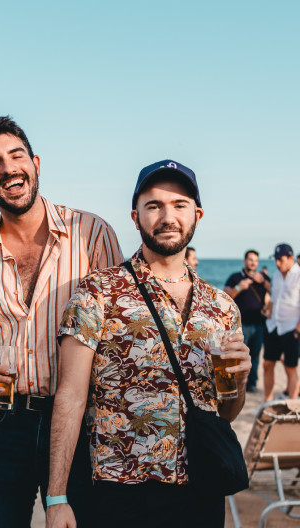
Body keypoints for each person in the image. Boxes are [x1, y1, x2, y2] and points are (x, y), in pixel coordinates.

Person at [46, 160, 251, 528]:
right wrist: (57, 495)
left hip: (201, 489)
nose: (167, 216)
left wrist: (238, 382)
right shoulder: (98, 292)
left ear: (197, 215)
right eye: (154, 205)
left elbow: (227, 412)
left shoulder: (222, 307)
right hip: (120, 490)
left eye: (179, 205)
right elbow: (70, 396)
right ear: (135, 215)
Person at [0, 116, 123, 527]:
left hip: (81, 419)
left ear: (36, 163)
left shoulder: (92, 234)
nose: (8, 168)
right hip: (0, 421)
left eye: (16, 155)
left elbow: (122, 330)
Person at [224, 250, 271, 392]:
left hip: (259, 323)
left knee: (255, 354)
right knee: (239, 354)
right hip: (241, 324)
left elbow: (275, 291)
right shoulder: (236, 277)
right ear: (245, 261)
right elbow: (225, 295)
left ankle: (251, 384)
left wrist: (263, 281)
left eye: (255, 260)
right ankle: (238, 383)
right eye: (250, 260)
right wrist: (239, 287)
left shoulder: (262, 278)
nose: (253, 263)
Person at [263, 243, 300, 401]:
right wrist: (267, 311)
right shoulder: (277, 275)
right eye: (276, 260)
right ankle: (267, 401)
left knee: (290, 368)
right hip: (273, 326)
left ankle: (293, 405)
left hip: (291, 327)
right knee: (267, 364)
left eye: (281, 259)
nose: (277, 263)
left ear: (291, 258)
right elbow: (274, 298)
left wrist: (297, 330)